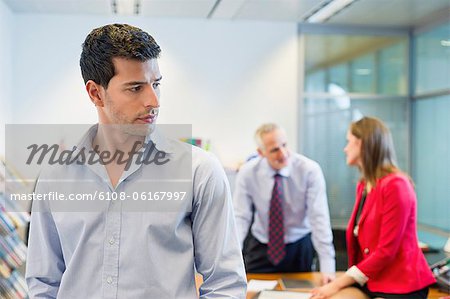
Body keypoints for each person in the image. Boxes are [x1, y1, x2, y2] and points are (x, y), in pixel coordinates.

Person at [26, 23, 247, 298]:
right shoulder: (55, 176)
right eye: (135, 88)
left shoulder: (199, 172)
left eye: (156, 84)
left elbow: (226, 283)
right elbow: (43, 283)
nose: (153, 101)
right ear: (96, 93)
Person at [311, 116, 436, 299]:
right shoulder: (365, 185)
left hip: (401, 286)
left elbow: (386, 251)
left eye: (349, 142)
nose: (345, 149)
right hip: (372, 281)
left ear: (363, 144)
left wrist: (339, 282)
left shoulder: (397, 185)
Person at [233, 123, 335, 283]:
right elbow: (240, 218)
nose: (283, 153)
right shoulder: (248, 173)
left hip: (299, 245)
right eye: (274, 150)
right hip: (261, 244)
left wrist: (328, 266)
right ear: (261, 152)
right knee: (252, 290)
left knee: (299, 292)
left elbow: (319, 218)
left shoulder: (309, 171)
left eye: (284, 145)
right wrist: (231, 261)